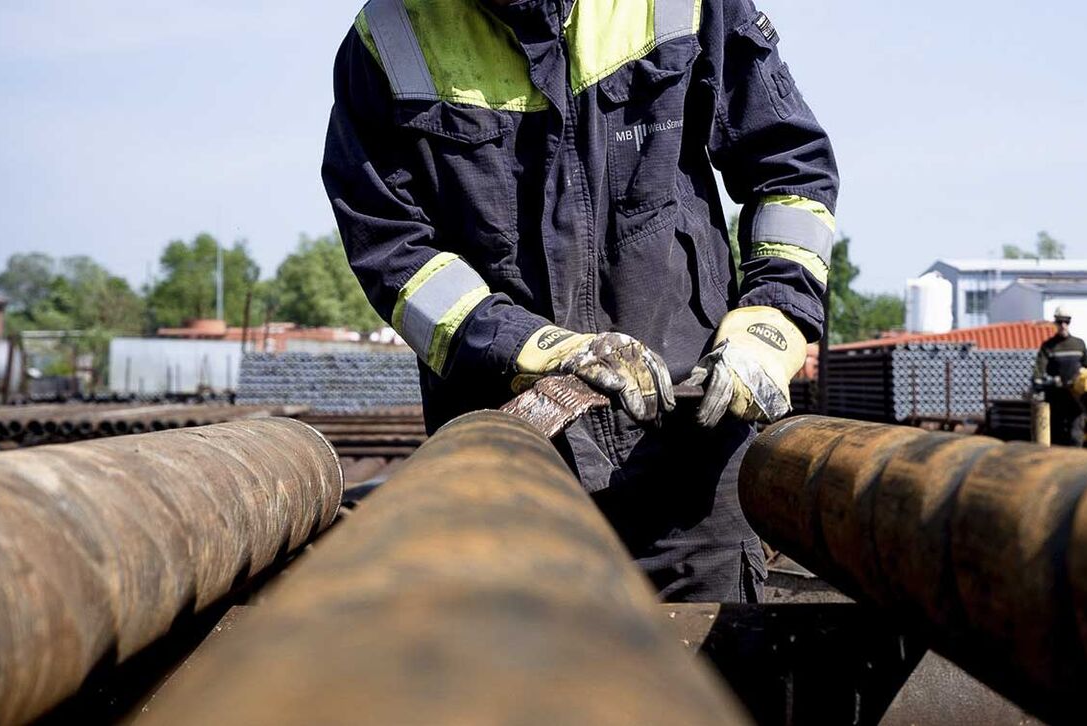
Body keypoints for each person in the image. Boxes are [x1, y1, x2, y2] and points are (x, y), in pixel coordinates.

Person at [323, 0, 838, 604]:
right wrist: (522, 345)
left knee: (716, 687)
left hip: (690, 466)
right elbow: (394, 252)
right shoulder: (392, 35)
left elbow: (789, 168)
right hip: (508, 464)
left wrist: (776, 312)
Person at [1032, 307, 1087, 445]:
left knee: (1076, 435)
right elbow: (1038, 373)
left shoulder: (1079, 344)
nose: (1063, 325)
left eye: (1066, 321)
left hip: (1076, 399)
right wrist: (1051, 381)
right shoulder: (1048, 346)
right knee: (1056, 435)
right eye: (1060, 322)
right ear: (1055, 323)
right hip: (1056, 398)